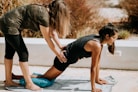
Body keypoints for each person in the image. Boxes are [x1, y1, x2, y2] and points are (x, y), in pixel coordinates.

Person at [11, 23, 118, 92]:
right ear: (107, 36)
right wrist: (93, 88)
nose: (114, 40)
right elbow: (93, 68)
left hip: (64, 58)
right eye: (114, 37)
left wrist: (97, 79)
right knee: (46, 81)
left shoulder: (98, 41)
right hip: (63, 60)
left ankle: (17, 77)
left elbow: (97, 62)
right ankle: (19, 80)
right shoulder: (96, 45)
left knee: (45, 77)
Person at [0, 0, 70, 91]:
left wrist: (60, 47)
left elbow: (52, 33)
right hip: (10, 24)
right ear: (58, 13)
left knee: (9, 52)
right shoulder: (44, 16)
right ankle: (29, 84)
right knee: (23, 53)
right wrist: (58, 54)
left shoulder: (48, 13)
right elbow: (48, 39)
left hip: (7, 21)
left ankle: (9, 80)